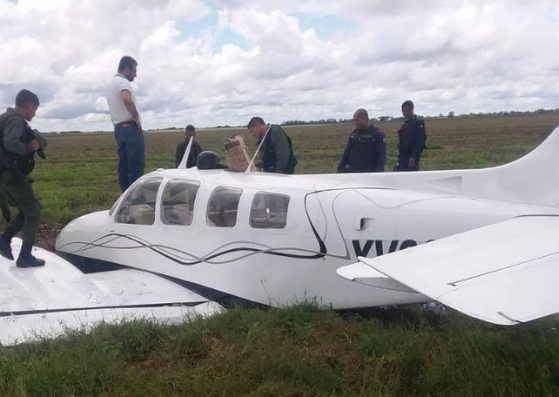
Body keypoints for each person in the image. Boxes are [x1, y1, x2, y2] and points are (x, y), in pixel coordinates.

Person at [0, 89, 48, 267]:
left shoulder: (5, 117)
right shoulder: (15, 120)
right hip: (12, 175)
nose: (34, 114)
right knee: (34, 213)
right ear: (28, 106)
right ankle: (25, 256)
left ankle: (5, 239)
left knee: (25, 210)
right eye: (34, 110)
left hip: (6, 175)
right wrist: (30, 147)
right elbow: (11, 143)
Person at [106, 55, 144, 192]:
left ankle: (125, 197)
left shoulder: (111, 83)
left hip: (119, 129)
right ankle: (136, 198)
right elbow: (127, 99)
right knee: (136, 166)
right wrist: (135, 117)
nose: (135, 75)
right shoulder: (123, 83)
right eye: (134, 71)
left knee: (124, 166)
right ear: (127, 69)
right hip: (130, 129)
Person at [337, 109, 386, 173]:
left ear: (364, 118)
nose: (355, 123)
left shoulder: (377, 135)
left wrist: (378, 173)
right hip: (353, 171)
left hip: (369, 172)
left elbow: (381, 157)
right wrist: (340, 169)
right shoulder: (354, 134)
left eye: (356, 120)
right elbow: (346, 153)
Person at [394, 100, 426, 171]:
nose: (404, 113)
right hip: (403, 154)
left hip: (412, 154)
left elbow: (420, 141)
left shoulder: (418, 123)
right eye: (403, 111)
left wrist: (414, 156)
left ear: (411, 109)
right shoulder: (405, 124)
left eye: (405, 111)